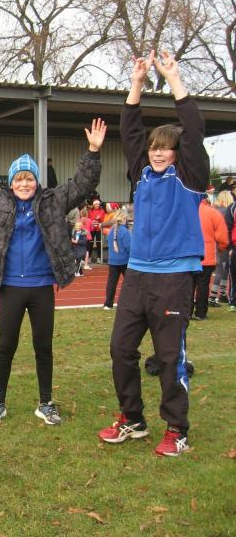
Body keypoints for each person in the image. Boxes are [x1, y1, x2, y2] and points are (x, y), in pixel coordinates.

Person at [0, 117, 105, 426]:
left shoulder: (53, 201)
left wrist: (92, 152)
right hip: (10, 287)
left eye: (29, 178)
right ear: (11, 182)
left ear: (37, 181)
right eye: (19, 179)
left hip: (42, 287)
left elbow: (83, 184)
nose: (24, 184)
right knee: (6, 346)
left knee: (44, 347)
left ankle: (46, 403)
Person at [98, 51, 209, 457]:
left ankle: (177, 429)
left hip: (173, 278)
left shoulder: (190, 178)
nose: (158, 154)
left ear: (177, 153)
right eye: (154, 149)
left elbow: (194, 130)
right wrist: (137, 83)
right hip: (138, 276)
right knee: (120, 349)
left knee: (168, 356)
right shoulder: (141, 175)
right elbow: (130, 130)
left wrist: (174, 79)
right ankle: (133, 419)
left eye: (165, 149)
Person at [191, 198, 228, 320]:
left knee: (188, 284)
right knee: (203, 284)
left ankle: (186, 311)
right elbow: (222, 237)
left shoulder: (187, 210)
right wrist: (221, 248)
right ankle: (200, 313)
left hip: (188, 254)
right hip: (207, 254)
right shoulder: (213, 212)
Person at [208, 190, 233, 306]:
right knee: (222, 269)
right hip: (223, 242)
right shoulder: (227, 211)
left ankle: (220, 294)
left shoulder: (213, 209)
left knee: (222, 268)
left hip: (211, 242)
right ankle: (214, 296)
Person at [103, 209, 130, 308]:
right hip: (125, 261)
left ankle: (108, 304)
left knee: (111, 283)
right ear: (124, 219)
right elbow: (129, 247)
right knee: (130, 283)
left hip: (113, 261)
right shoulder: (125, 231)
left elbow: (109, 242)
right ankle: (127, 303)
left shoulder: (111, 230)